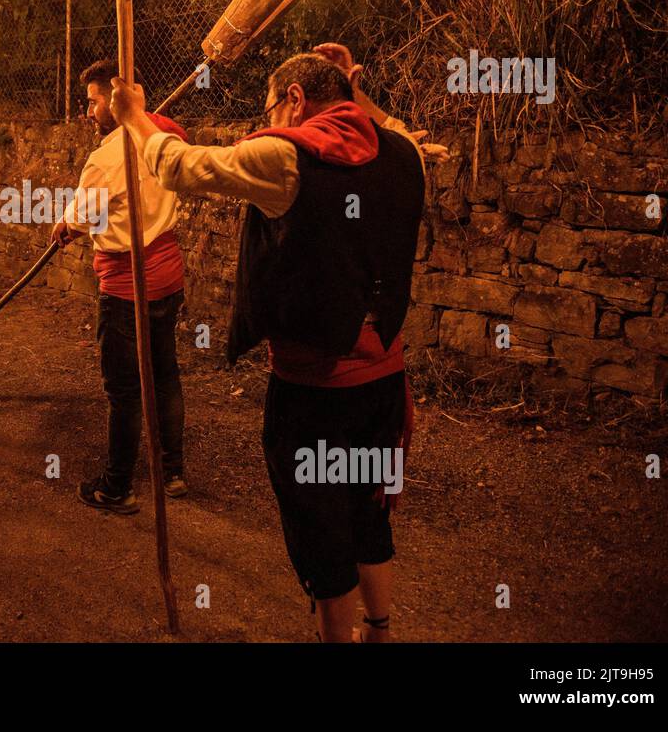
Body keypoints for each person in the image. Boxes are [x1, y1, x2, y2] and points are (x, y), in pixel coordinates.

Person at [108, 43, 442, 643]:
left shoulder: (283, 158)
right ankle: (381, 630)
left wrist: (133, 115)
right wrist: (351, 83)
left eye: (271, 107)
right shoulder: (407, 153)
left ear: (294, 99)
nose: (266, 121)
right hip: (384, 384)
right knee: (366, 504)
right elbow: (382, 124)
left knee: (320, 527)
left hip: (315, 395)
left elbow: (181, 166)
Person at [51, 59, 190, 515]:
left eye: (93, 101)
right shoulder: (163, 138)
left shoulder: (107, 156)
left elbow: (85, 214)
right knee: (165, 376)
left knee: (126, 390)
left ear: (115, 99)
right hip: (168, 279)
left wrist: (64, 226)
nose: (89, 111)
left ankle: (116, 486)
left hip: (128, 288)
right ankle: (172, 473)